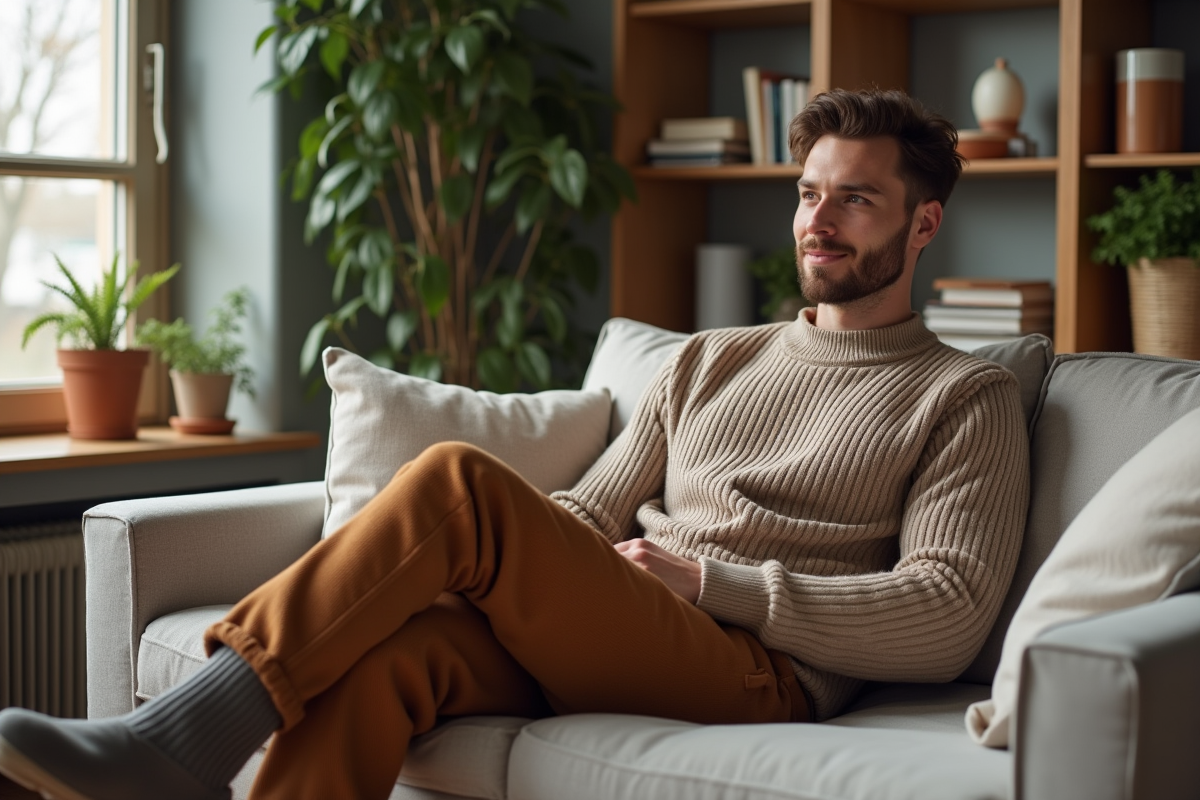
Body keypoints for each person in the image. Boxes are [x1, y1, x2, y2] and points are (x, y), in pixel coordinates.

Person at [0, 88, 1029, 800]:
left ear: (924, 223)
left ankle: (174, 742)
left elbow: (942, 613)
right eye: (810, 191)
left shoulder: (961, 393)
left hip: (755, 662)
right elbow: (586, 513)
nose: (821, 219)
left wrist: (714, 581)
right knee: (384, 658)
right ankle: (179, 751)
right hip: (621, 623)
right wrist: (437, 578)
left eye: (857, 198)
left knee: (456, 478)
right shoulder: (712, 357)